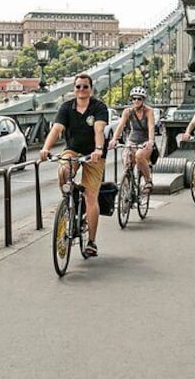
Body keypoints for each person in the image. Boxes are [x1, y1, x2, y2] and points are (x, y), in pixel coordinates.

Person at [40, 73, 108, 258]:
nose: (81, 90)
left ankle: (91, 242)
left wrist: (99, 149)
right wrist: (46, 148)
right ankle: (69, 200)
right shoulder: (66, 107)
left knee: (91, 196)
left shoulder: (99, 107)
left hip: (94, 154)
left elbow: (99, 129)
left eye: (85, 86)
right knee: (63, 169)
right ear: (74, 89)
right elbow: (57, 129)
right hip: (73, 150)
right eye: (78, 86)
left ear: (91, 89)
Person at [108, 86, 156, 196]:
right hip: (132, 140)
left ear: (143, 100)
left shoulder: (149, 111)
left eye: (139, 99)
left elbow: (151, 127)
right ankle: (130, 185)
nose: (136, 101)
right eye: (134, 99)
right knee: (126, 159)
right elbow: (120, 126)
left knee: (139, 156)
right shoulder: (127, 112)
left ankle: (148, 181)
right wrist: (114, 139)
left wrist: (150, 141)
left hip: (145, 141)